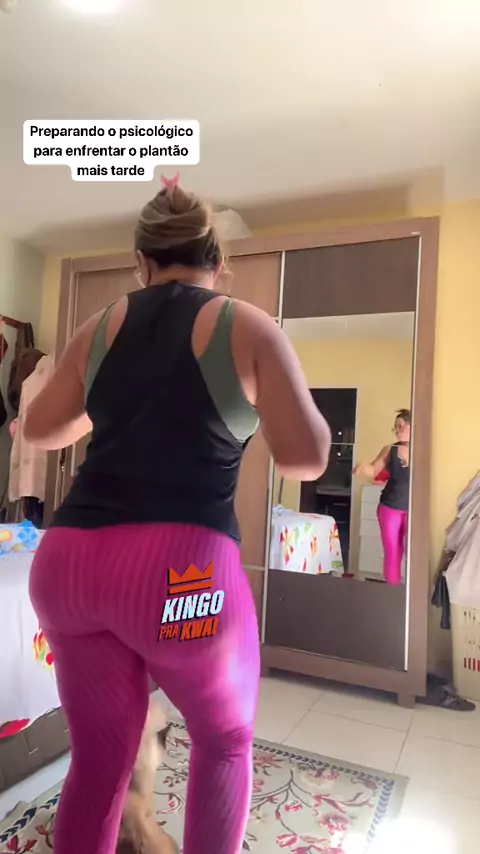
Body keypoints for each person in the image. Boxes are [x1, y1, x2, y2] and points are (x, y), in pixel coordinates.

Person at [24, 176, 331, 854]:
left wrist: (113, 405)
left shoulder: (100, 326)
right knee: (225, 742)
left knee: (99, 760)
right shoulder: (248, 325)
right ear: (219, 260)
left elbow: (40, 428)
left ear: (141, 262)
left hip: (71, 566)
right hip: (178, 576)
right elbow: (307, 458)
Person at [353, 409, 410, 585]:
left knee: (413, 553)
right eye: (395, 428)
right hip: (390, 507)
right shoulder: (389, 449)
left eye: (400, 426)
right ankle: (392, 591)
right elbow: (373, 470)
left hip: (413, 510)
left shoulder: (423, 450)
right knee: (393, 552)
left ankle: (412, 595)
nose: (397, 430)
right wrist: (363, 468)